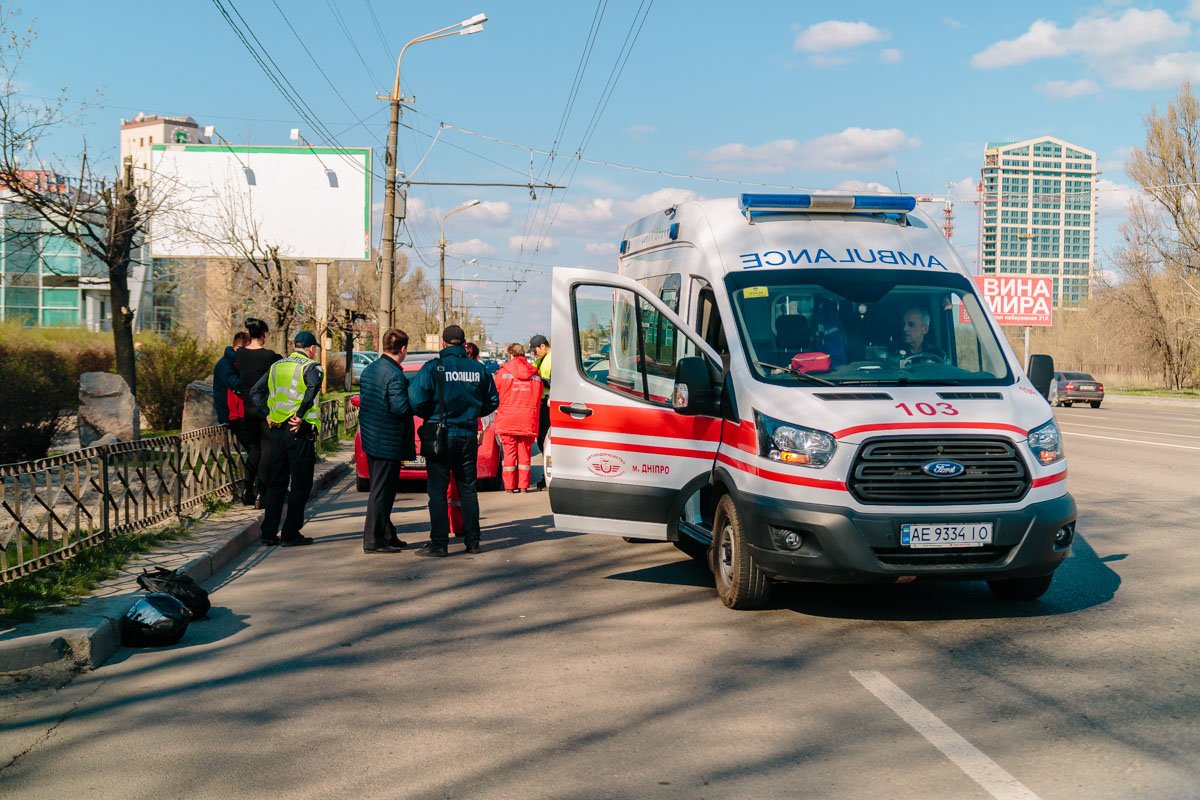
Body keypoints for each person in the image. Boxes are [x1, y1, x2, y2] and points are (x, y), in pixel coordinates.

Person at [408, 324, 498, 557]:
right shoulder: (478, 369)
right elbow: (492, 401)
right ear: (464, 343)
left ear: (443, 343)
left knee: (438, 491)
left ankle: (439, 544)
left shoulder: (434, 367)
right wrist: (473, 413)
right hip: (467, 435)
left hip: (440, 436)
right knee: (468, 489)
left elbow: (415, 399)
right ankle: (473, 542)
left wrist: (431, 414)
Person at [250, 331, 323, 547]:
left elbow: (255, 392)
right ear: (311, 348)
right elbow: (313, 387)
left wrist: (267, 413)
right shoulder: (310, 367)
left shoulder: (276, 366)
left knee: (276, 483)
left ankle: (268, 533)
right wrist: (300, 415)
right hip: (298, 432)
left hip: (277, 432)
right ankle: (290, 533)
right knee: (301, 483)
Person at [358, 328, 414, 554]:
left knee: (382, 489)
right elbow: (400, 408)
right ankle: (373, 540)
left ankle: (387, 534)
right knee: (382, 492)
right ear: (403, 349)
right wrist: (413, 403)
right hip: (388, 440)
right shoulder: (395, 375)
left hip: (371, 437)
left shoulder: (370, 369)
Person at [234, 318, 282, 507]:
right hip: (264, 407)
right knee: (267, 449)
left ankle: (247, 490)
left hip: (247, 407)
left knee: (254, 449)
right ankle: (262, 493)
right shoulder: (269, 356)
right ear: (263, 335)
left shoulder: (240, 354)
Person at [494, 342, 541, 493]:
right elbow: (539, 394)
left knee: (509, 453)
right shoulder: (535, 373)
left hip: (507, 418)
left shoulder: (503, 372)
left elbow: (494, 394)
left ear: (511, 354)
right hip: (527, 418)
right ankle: (523, 485)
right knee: (525, 453)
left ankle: (509, 486)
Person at [529, 334, 552, 488]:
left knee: (546, 440)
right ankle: (546, 474)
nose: (534, 353)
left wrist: (541, 382)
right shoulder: (540, 360)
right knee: (542, 439)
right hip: (541, 404)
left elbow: (556, 382)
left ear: (543, 346)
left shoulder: (553, 359)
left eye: (535, 350)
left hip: (549, 404)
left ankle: (548, 475)